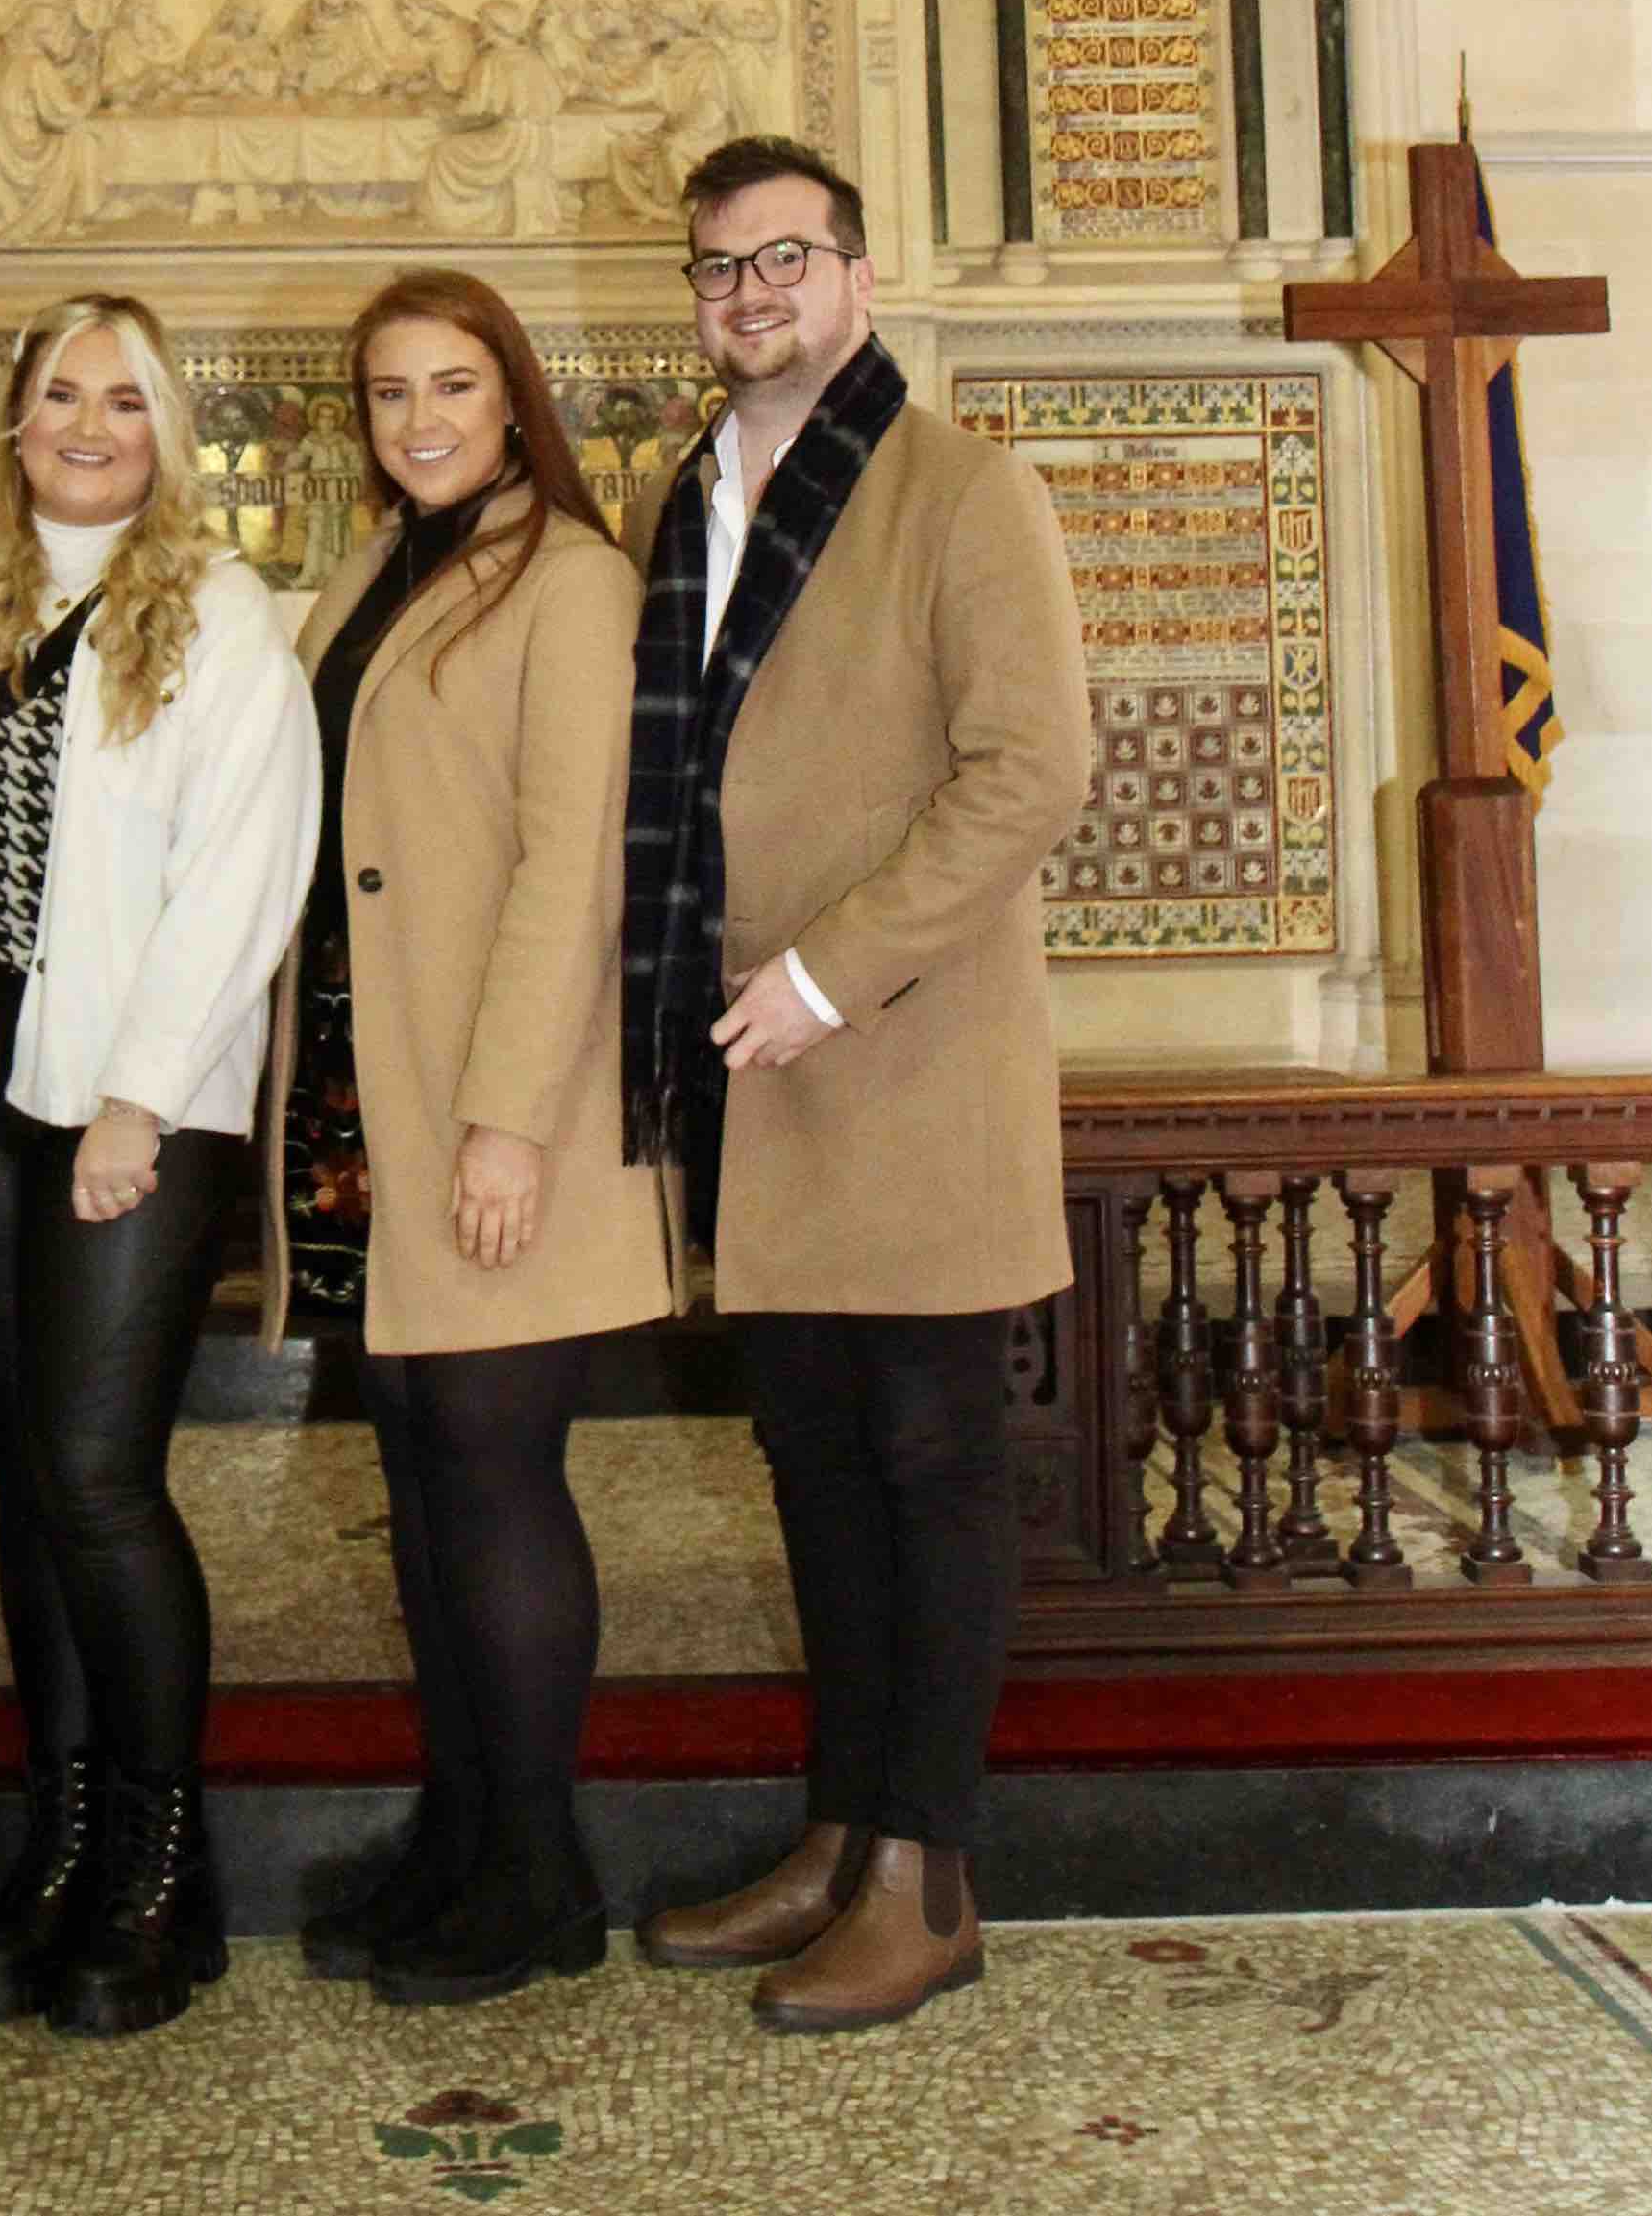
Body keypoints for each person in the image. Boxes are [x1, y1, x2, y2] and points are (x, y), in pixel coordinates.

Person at [623, 135, 1090, 2032]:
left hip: (898, 1053)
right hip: (750, 1065)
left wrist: (830, 967)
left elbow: (1029, 769)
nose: (753, 298)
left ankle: (928, 1873)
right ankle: (838, 1834)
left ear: (858, 277)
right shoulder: (686, 499)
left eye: (785, 261)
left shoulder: (961, 490)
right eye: (720, 271)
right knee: (812, 1470)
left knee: (928, 1469)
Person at [0, 298, 317, 2040]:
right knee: (22, 1469)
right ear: (14, 417)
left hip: (133, 1100)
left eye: (124, 398)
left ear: (169, 428)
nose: (88, 421)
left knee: (99, 1475)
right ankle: (61, 1844)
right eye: (60, 391)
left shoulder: (217, 617)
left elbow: (246, 871)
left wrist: (142, 1099)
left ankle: (163, 1864)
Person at [271, 270, 659, 2009]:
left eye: (451, 386)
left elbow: (571, 868)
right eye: (385, 393)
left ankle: (542, 1871)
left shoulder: (573, 584)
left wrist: (507, 1122)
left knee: (498, 1469)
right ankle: (461, 1833)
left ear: (517, 399)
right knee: (419, 1469)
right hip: (376, 1085)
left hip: (508, 1104)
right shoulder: (378, 570)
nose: (417, 421)